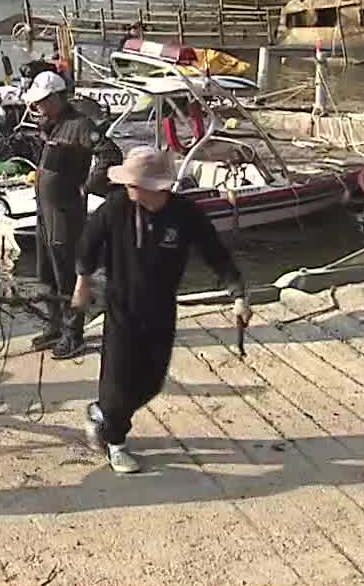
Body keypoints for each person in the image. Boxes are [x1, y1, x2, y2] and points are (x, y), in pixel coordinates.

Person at [73, 148, 249, 474]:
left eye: (135, 183)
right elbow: (88, 243)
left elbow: (216, 254)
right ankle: (115, 442)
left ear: (157, 187)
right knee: (117, 382)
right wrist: (82, 283)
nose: (128, 188)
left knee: (152, 382)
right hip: (122, 306)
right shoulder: (116, 207)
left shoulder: (185, 214)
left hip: (162, 306)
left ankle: (102, 414)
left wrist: (237, 293)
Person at [23, 70, 120, 361]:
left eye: (41, 101)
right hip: (44, 213)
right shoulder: (52, 125)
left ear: (56, 98)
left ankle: (72, 334)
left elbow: (110, 153)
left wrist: (88, 186)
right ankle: (54, 326)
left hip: (64, 214)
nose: (37, 106)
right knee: (46, 275)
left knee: (68, 276)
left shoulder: (80, 125)